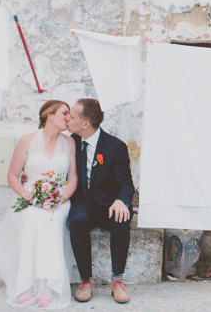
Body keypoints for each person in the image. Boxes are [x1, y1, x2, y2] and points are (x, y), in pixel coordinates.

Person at [0, 100, 78, 308]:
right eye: (65, 113)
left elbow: (73, 178)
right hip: (28, 195)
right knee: (32, 219)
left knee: (53, 219)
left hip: (59, 198)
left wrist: (61, 198)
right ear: (49, 115)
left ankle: (48, 286)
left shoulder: (70, 143)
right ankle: (25, 286)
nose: (69, 118)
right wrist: (26, 194)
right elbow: (12, 175)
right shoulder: (27, 140)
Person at [66, 98, 135, 304]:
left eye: (71, 115)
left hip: (108, 204)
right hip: (83, 203)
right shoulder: (71, 142)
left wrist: (121, 200)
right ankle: (86, 280)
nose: (67, 118)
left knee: (122, 219)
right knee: (77, 222)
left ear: (85, 123)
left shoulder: (115, 146)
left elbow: (126, 183)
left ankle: (117, 281)